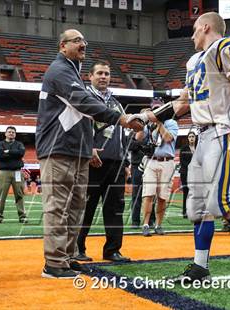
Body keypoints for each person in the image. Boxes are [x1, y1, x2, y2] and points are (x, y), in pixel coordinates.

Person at [128, 12, 230, 291]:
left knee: (219, 203)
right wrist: (151, 116)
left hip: (223, 131)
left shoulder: (227, 47)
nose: (191, 35)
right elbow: (183, 102)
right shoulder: (196, 61)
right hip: (201, 135)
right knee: (198, 208)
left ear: (206, 27)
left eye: (195, 29)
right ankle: (200, 267)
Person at [36, 29, 142, 279]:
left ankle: (68, 256)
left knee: (75, 209)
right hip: (58, 149)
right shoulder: (59, 70)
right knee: (58, 208)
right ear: (63, 46)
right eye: (76, 40)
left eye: (85, 40)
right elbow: (83, 102)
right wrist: (121, 117)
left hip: (76, 151)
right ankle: (53, 263)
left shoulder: (70, 72)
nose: (83, 43)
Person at [76, 61, 131, 263]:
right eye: (99, 73)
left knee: (115, 208)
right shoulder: (84, 98)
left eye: (107, 73)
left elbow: (123, 135)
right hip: (92, 163)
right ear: (90, 76)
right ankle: (77, 247)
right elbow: (79, 127)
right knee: (85, 207)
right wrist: (88, 149)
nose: (103, 77)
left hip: (116, 163)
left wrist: (126, 162)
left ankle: (112, 250)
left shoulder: (116, 103)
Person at [136, 102, 179, 237]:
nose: (157, 113)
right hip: (151, 161)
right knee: (148, 194)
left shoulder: (171, 123)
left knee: (162, 197)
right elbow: (138, 138)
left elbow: (167, 138)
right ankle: (146, 224)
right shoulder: (149, 124)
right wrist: (143, 122)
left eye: (159, 110)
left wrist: (159, 123)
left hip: (167, 162)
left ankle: (158, 225)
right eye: (155, 110)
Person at [0, 126, 28, 224]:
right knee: (1, 195)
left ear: (15, 134)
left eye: (13, 132)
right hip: (4, 172)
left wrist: (8, 152)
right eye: (9, 132)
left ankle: (22, 216)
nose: (11, 133)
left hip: (17, 171)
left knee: (19, 194)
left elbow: (21, 153)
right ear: (5, 133)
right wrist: (14, 154)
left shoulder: (19, 144)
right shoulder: (0, 144)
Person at [179, 131, 197, 218]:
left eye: (193, 136)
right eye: (190, 136)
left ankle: (194, 211)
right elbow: (182, 161)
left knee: (196, 193)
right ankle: (185, 212)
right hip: (185, 173)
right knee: (186, 192)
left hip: (197, 174)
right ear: (188, 138)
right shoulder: (184, 148)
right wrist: (192, 167)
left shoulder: (198, 148)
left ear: (195, 137)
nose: (191, 138)